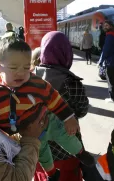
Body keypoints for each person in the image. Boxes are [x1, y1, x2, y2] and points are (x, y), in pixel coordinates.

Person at [0, 37, 94, 180]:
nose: (21, 73)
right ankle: (51, 174)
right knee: (42, 153)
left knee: (67, 137)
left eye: (26, 68)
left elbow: (54, 99)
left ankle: (81, 153)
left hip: (49, 122)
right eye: (14, 68)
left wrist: (68, 118)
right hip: (27, 135)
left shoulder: (36, 83)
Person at [33, 31, 91, 181]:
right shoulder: (71, 83)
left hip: (38, 149)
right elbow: (82, 110)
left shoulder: (30, 78)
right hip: (67, 152)